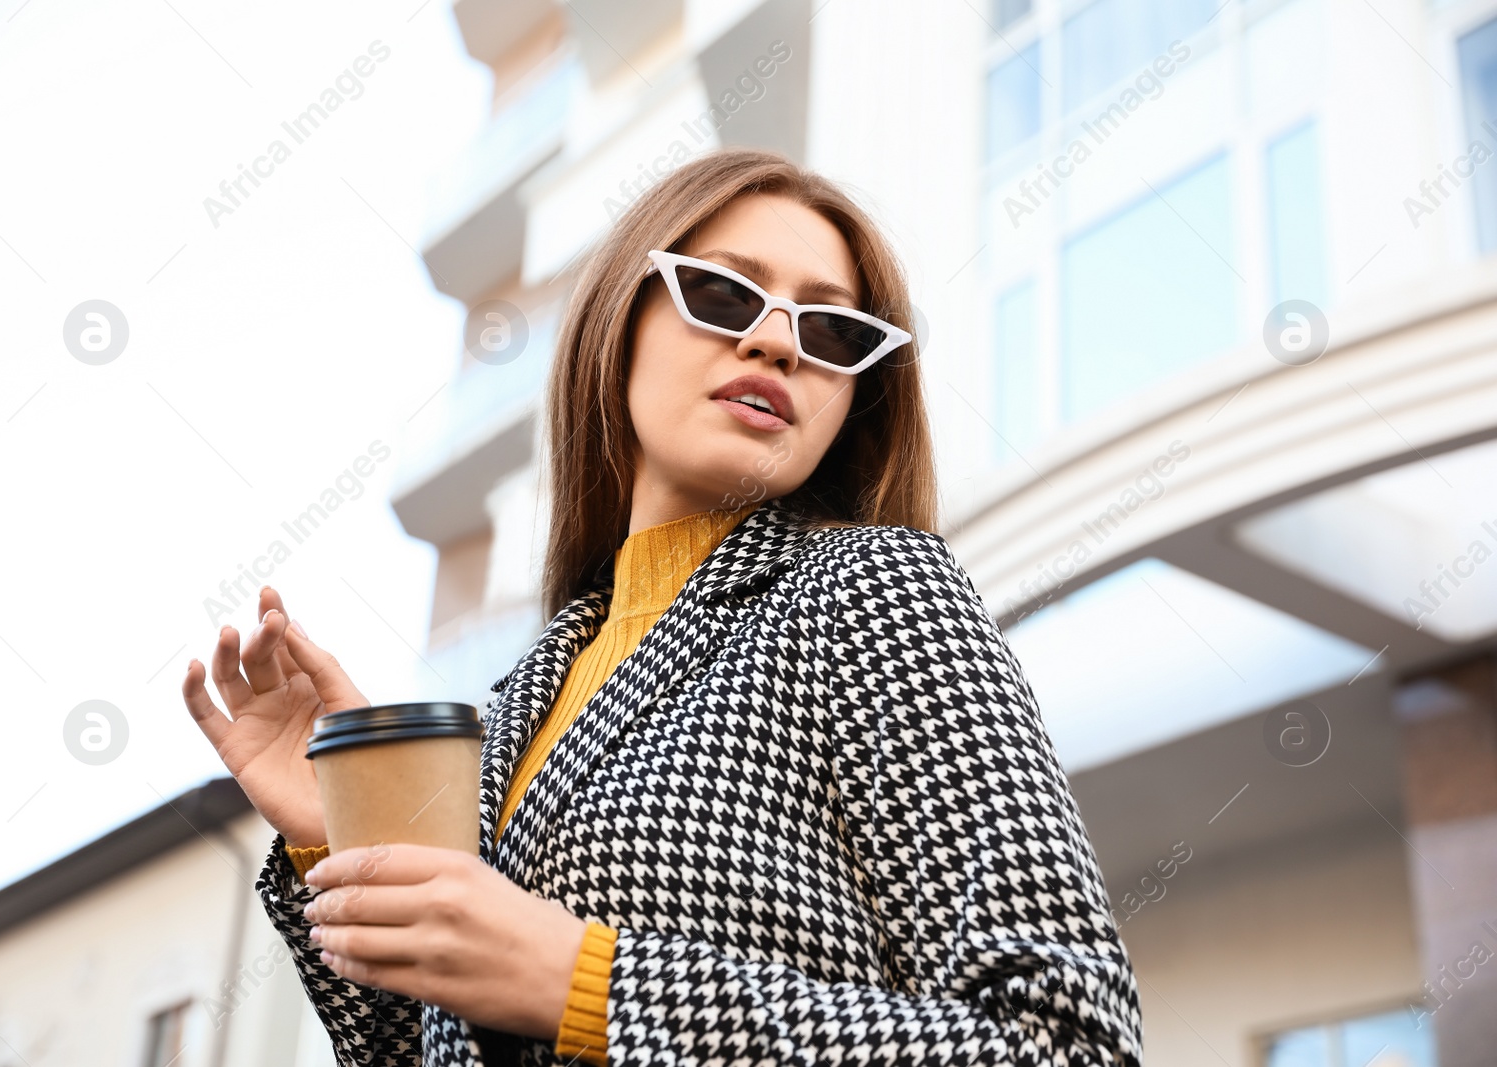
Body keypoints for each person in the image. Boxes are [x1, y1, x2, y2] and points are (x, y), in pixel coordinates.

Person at [181, 147, 1144, 1067]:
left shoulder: (873, 590)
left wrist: (588, 983)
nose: (775, 340)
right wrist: (344, 833)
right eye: (725, 293)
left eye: (834, 329)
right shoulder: (524, 695)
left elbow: (1065, 1038)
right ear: (620, 319)